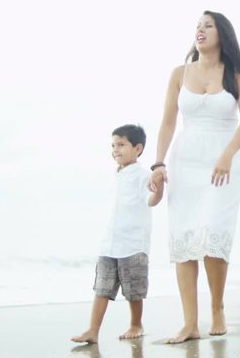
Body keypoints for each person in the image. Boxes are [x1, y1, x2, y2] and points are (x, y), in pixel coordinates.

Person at [148, 10, 240, 343]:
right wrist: (158, 163)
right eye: (198, 26)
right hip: (186, 161)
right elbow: (168, 122)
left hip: (225, 164)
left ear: (223, 33)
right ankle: (190, 323)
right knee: (184, 240)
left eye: (208, 25)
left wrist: (227, 154)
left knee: (213, 233)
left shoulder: (237, 74)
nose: (200, 30)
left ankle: (218, 307)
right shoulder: (179, 73)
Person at [71, 124, 164, 344]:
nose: (116, 150)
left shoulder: (143, 175)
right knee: (102, 287)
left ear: (137, 148)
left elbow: (151, 201)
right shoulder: (116, 175)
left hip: (133, 243)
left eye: (121, 145)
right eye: (113, 145)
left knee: (133, 290)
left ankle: (136, 324)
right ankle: (92, 330)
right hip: (109, 243)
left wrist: (158, 190)